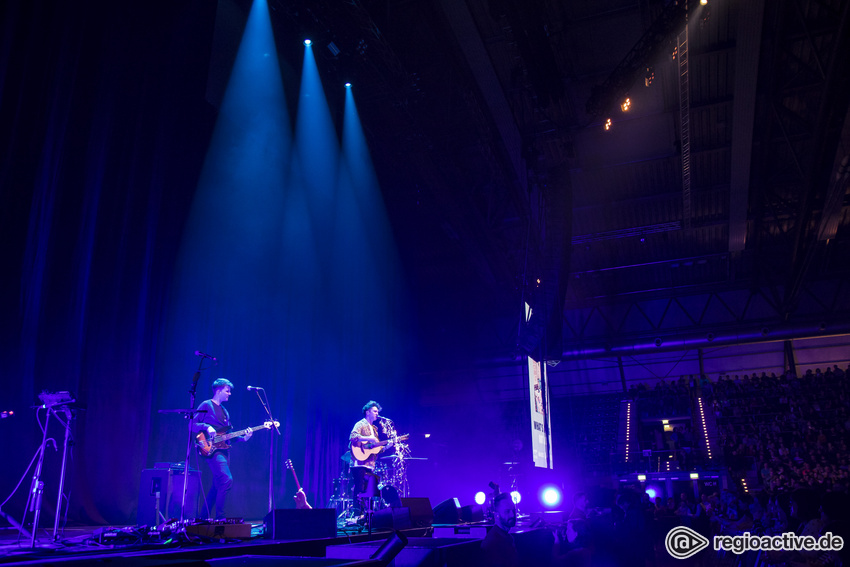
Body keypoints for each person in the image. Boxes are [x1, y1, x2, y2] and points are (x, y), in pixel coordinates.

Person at [194, 378, 252, 519]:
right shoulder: (206, 405)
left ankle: (202, 518)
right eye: (227, 391)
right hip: (211, 450)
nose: (229, 394)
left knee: (217, 484)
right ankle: (221, 518)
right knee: (226, 479)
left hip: (224, 451)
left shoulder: (225, 412)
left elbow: (227, 436)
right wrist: (207, 426)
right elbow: (192, 425)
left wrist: (243, 438)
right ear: (219, 390)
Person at [349, 401, 394, 509]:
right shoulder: (360, 424)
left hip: (370, 464)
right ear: (367, 412)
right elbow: (353, 436)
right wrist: (369, 438)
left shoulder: (374, 429)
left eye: (377, 412)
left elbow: (376, 449)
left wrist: (388, 445)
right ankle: (357, 513)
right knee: (360, 489)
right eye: (374, 411)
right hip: (359, 463)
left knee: (368, 490)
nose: (377, 414)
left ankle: (365, 515)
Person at [481, 492, 519, 567]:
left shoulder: (507, 537)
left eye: (513, 510)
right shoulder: (492, 543)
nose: (512, 515)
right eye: (507, 511)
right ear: (496, 515)